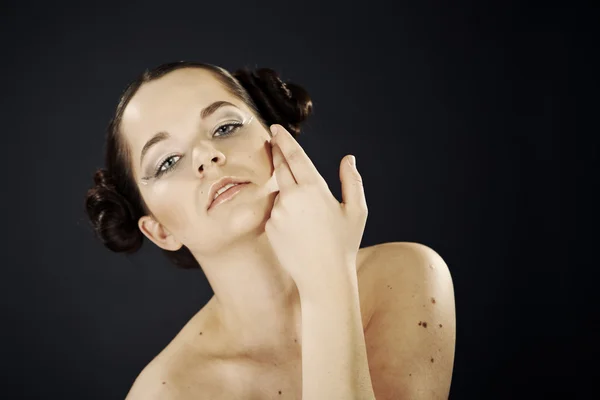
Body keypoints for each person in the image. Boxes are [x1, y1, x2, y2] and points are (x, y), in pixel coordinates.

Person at [85, 61, 456, 399]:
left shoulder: (406, 274)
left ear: (277, 139)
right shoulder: (164, 392)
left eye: (225, 127)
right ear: (160, 230)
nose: (206, 156)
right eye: (167, 161)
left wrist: (328, 284)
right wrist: (326, 285)